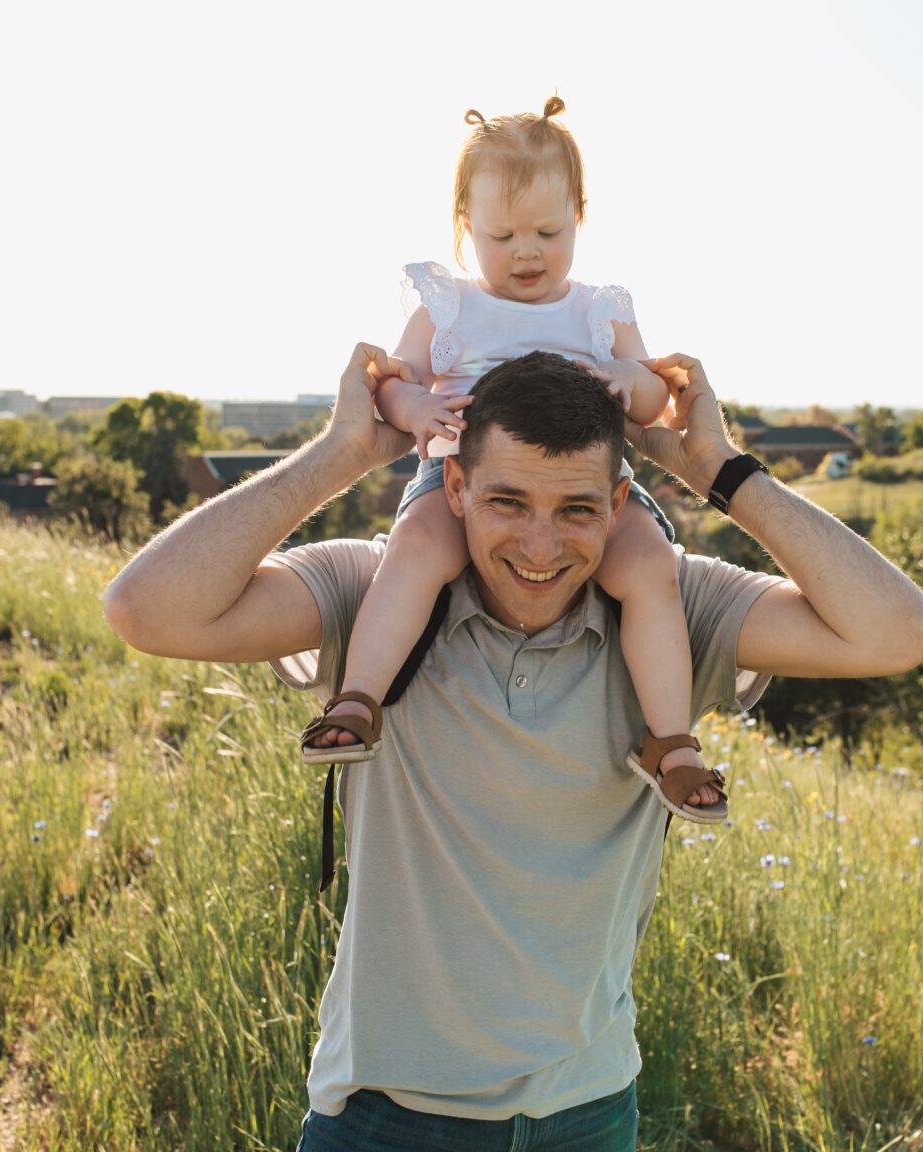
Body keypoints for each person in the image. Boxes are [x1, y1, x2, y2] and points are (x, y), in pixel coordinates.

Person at [103, 342, 923, 1151]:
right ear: (456, 486)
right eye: (508, 502)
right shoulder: (379, 598)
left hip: (589, 1109)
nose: (540, 549)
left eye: (577, 509)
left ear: (619, 506)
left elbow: (897, 632)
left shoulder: (670, 612)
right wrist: (343, 452)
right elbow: (147, 610)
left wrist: (716, 469)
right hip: (386, 1115)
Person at [299, 96, 725, 821]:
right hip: (458, 477)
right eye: (502, 234)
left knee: (649, 567)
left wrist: (635, 383)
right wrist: (416, 410)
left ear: (580, 217)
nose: (527, 250)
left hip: (593, 488)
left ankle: (671, 742)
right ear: (467, 227)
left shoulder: (600, 309)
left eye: (548, 231)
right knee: (416, 548)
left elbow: (652, 397)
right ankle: (360, 696)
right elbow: (394, 383)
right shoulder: (448, 305)